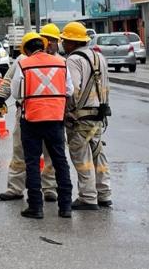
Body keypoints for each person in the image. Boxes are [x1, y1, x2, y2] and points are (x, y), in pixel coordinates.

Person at [0, 23, 62, 202]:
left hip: (51, 114)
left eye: (54, 41)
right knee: (20, 152)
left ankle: (50, 189)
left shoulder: (60, 62)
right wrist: (1, 98)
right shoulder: (23, 60)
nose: (52, 44)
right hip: (27, 112)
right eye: (50, 40)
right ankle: (15, 188)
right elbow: (9, 81)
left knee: (50, 155)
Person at [10, 32, 74, 219]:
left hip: (32, 118)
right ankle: (66, 207)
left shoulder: (24, 64)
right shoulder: (61, 63)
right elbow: (69, 89)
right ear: (44, 46)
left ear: (27, 50)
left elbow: (16, 93)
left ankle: (36, 207)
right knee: (60, 161)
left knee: (32, 162)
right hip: (55, 119)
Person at [61, 21, 113, 211]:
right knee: (98, 154)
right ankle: (104, 193)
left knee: (81, 156)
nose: (63, 44)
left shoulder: (74, 60)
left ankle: (88, 197)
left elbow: (73, 89)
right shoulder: (99, 57)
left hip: (80, 117)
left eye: (65, 41)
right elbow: (105, 86)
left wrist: (68, 111)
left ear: (71, 42)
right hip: (98, 114)